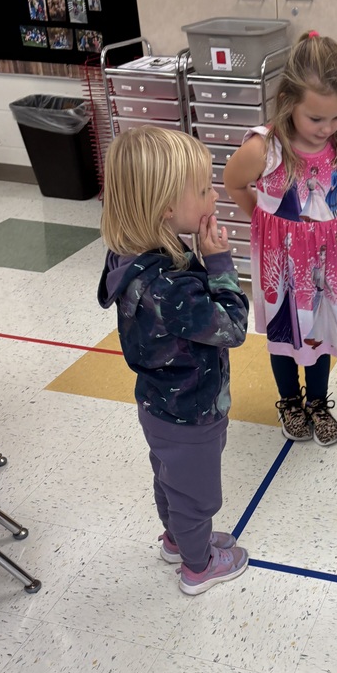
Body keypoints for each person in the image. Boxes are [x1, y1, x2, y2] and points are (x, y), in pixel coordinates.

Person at [97, 127, 250, 595]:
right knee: (196, 493)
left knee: (171, 477)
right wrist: (219, 262)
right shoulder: (170, 288)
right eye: (203, 188)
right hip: (191, 409)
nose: (215, 193)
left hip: (159, 402)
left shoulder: (133, 257)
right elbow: (233, 327)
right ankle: (198, 565)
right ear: (165, 206)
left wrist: (197, 258)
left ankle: (177, 538)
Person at [223, 31, 337, 446]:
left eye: (336, 117)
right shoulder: (264, 148)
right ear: (287, 103)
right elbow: (233, 183)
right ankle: (289, 400)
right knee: (284, 331)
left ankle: (317, 401)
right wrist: (268, 223)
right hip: (279, 260)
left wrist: (321, 225)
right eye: (316, 119)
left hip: (324, 260)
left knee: (320, 329)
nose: (327, 128)